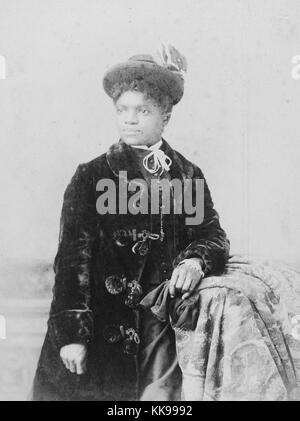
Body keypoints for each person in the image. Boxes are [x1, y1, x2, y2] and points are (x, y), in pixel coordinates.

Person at [32, 45, 230, 401]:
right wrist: (73, 334)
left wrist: (196, 260)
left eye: (143, 110)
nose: (130, 119)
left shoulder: (186, 175)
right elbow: (72, 262)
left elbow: (212, 236)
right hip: (100, 330)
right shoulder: (91, 176)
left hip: (162, 332)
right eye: (122, 109)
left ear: (165, 116)